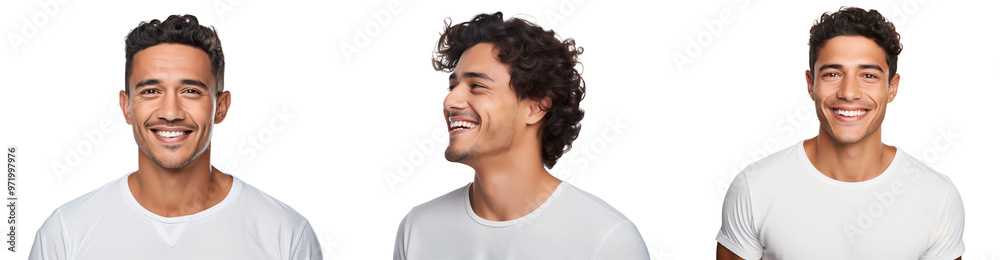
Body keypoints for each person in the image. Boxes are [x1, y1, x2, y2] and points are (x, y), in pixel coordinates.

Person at [29, 14, 322, 260]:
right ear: (126, 106)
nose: (170, 112)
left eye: (191, 91)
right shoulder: (65, 233)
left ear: (220, 107)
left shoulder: (286, 235)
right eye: (150, 91)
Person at [392, 12, 649, 259]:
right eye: (452, 86)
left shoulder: (607, 239)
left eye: (477, 86)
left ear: (536, 107)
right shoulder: (418, 229)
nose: (450, 100)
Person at [716, 7, 964, 260]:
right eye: (833, 74)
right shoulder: (755, 188)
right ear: (811, 85)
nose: (849, 92)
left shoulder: (937, 195)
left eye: (868, 75)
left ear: (892, 87)